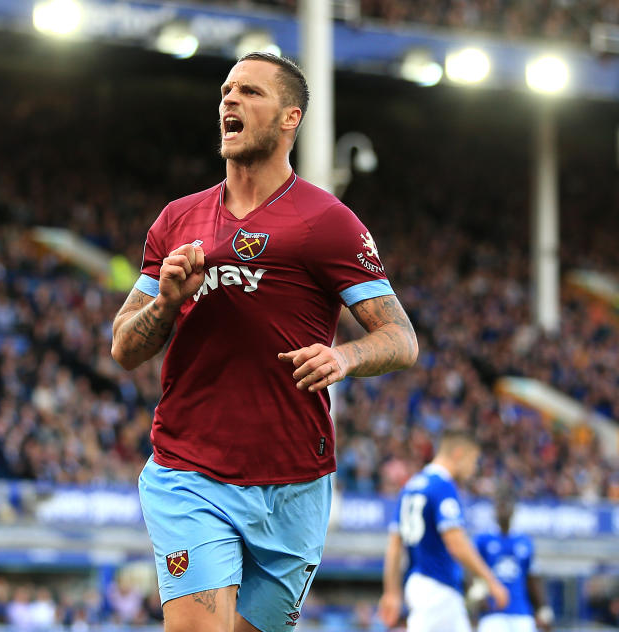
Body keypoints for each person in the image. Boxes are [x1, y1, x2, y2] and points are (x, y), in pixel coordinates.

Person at [111, 51, 419, 632]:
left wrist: (345, 355)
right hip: (190, 471)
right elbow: (124, 346)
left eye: (250, 92)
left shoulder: (327, 222)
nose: (229, 99)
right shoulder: (178, 221)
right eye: (226, 90)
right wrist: (168, 302)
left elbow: (401, 338)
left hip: (295, 486)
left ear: (289, 119)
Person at [378, 430, 510, 632]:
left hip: (422, 584)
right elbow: (456, 543)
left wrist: (391, 592)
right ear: (458, 453)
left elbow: (395, 546)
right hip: (437, 587)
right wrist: (491, 581)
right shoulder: (442, 486)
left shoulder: (411, 486)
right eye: (473, 460)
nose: (473, 468)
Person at [474, 497, 553, 632]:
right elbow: (471, 571)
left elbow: (532, 578)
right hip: (492, 612)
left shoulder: (525, 541)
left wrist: (542, 608)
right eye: (500, 506)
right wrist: (476, 595)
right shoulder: (483, 540)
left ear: (514, 510)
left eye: (507, 506)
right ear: (494, 510)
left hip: (521, 612)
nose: (503, 511)